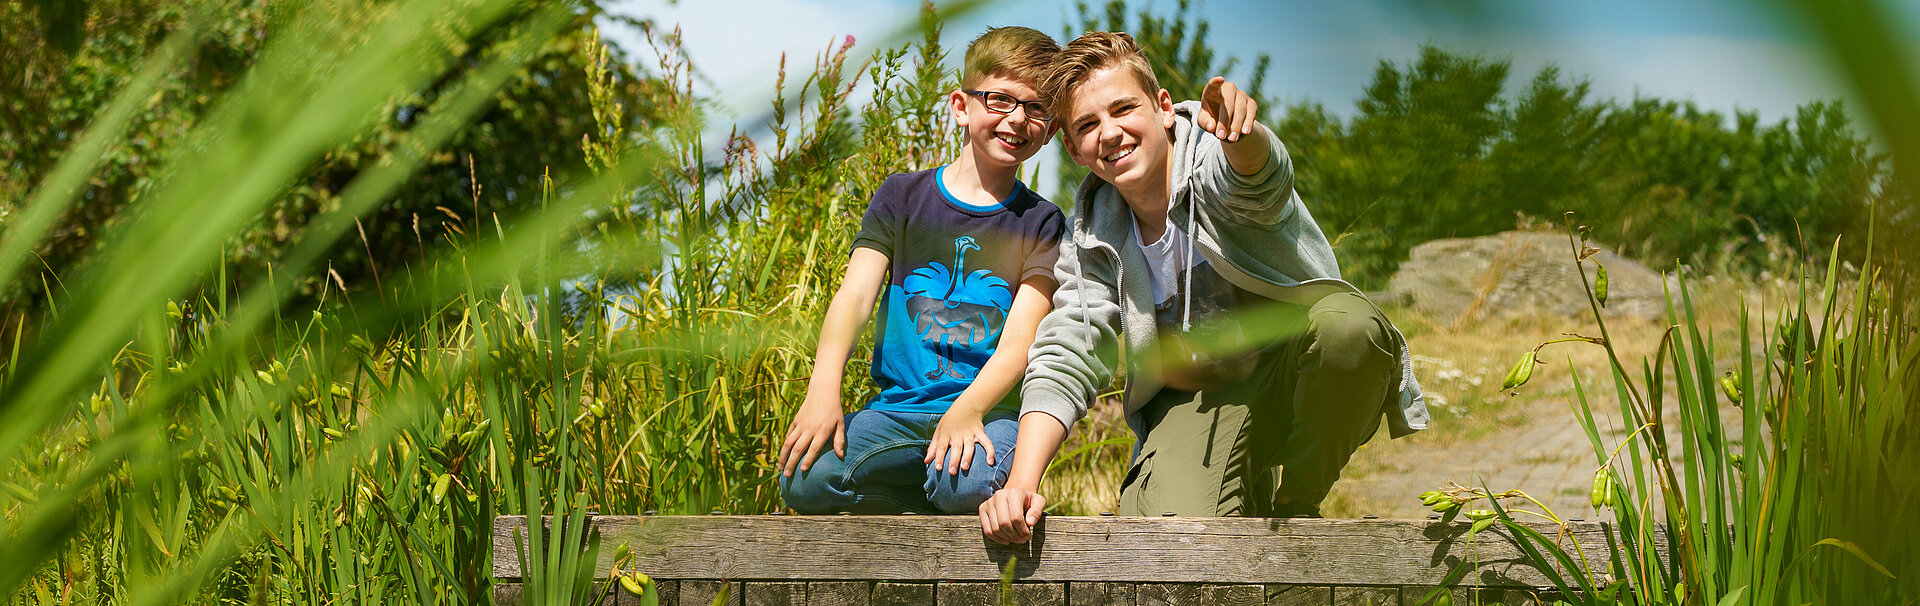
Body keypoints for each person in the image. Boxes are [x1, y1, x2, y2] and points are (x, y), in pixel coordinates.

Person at [978, 31, 1430, 542]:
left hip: (1291, 369)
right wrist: (1020, 482)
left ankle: (1299, 505)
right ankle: (1229, 489)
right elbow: (1070, 349)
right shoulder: (1091, 236)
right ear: (1075, 149)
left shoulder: (1215, 159)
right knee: (1166, 540)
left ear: (1164, 107)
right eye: (1087, 124)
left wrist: (1243, 136)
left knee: (1350, 327)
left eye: (1123, 109)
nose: (1109, 133)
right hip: (1197, 400)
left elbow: (1260, 181)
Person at [777, 26, 1068, 514]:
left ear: (1051, 127)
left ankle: (936, 488)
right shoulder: (901, 197)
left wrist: (969, 408)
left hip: (985, 413)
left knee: (967, 484)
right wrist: (823, 391)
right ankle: (916, 493)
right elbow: (853, 299)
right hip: (897, 411)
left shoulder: (1041, 221)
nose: (1017, 120)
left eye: (1036, 108)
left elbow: (1021, 340)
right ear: (961, 106)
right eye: (1000, 100)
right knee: (807, 478)